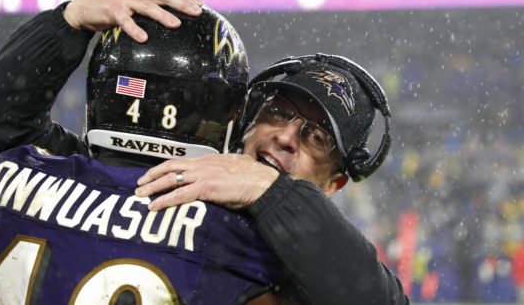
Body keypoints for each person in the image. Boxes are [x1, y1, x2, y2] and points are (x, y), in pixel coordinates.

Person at [0, 0, 283, 304]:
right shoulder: (234, 237)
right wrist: (282, 194)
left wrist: (69, 19)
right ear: (224, 113)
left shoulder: (6, 175)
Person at [134, 54, 410, 305]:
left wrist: (271, 190)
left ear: (332, 186)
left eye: (316, 138)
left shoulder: (318, 277)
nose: (286, 137)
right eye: (279, 112)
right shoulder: (162, 183)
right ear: (247, 122)